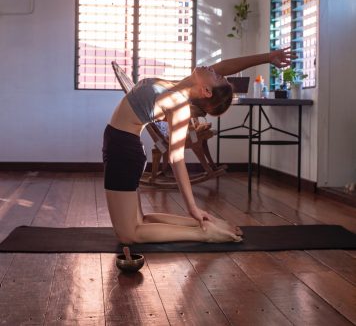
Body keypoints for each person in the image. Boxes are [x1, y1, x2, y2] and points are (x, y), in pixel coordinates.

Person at [103, 48, 295, 244]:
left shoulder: (178, 105)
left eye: (217, 76)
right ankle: (201, 224)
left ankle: (204, 233)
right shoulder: (177, 87)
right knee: (140, 222)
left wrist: (192, 206)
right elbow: (226, 66)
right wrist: (266, 57)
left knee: (129, 235)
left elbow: (176, 158)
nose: (215, 70)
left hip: (123, 150)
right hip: (122, 145)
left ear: (206, 90)